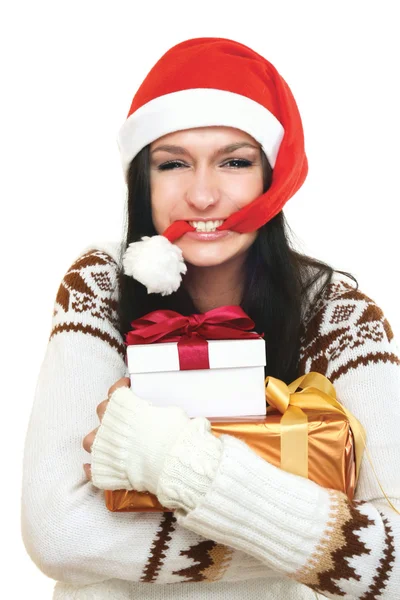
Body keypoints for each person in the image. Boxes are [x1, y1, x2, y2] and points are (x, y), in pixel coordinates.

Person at [21, 37, 400, 600]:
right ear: (141, 183)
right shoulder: (99, 284)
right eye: (172, 163)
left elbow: (393, 563)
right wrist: (294, 539)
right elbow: (56, 530)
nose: (202, 195)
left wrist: (171, 457)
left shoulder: (339, 315)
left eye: (235, 162)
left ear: (273, 178)